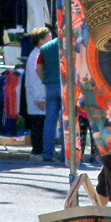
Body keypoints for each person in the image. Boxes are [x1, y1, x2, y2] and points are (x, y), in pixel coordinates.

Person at [36, 34, 64, 164]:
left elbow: (38, 69)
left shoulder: (45, 48)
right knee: (66, 122)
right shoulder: (72, 46)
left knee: (50, 121)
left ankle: (47, 153)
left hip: (50, 86)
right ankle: (66, 154)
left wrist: (45, 81)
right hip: (66, 86)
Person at [25, 26, 52, 158]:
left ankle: (38, 150)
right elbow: (35, 79)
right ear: (41, 41)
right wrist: (40, 97)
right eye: (49, 38)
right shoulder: (36, 55)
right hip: (38, 97)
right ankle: (37, 151)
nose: (51, 40)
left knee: (39, 124)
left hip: (38, 96)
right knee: (38, 125)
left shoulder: (37, 54)